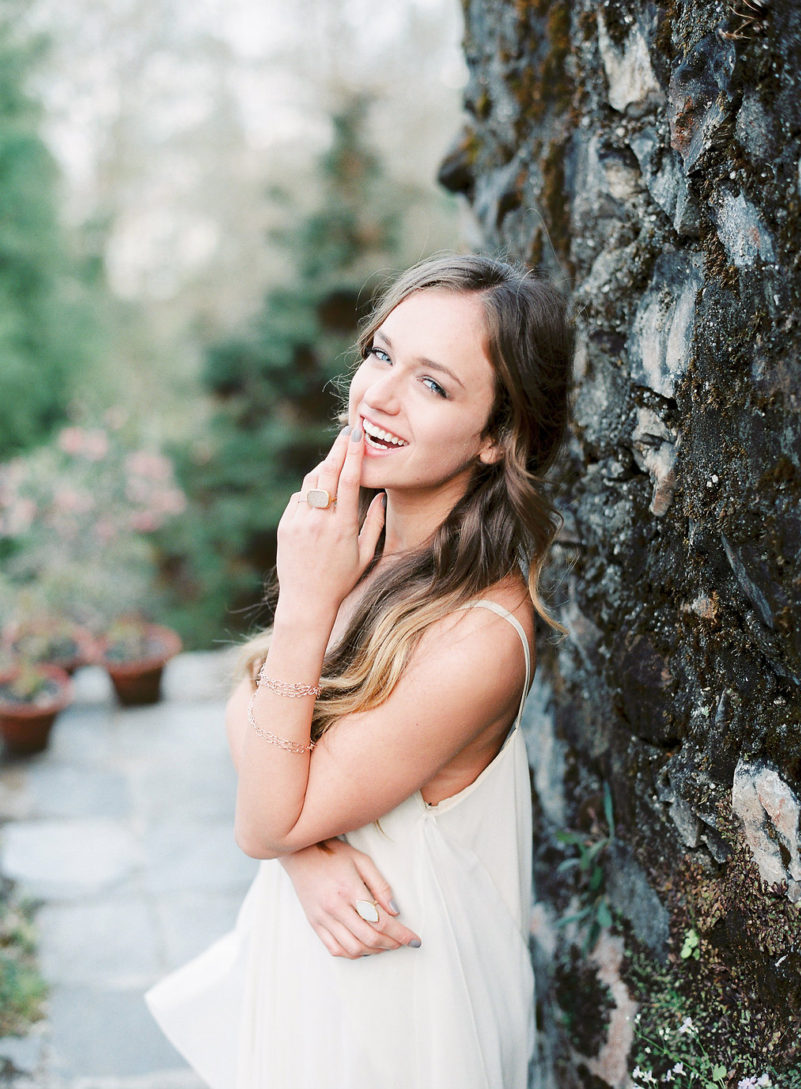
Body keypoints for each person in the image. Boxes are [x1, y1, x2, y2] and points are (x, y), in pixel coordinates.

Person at [146, 253, 572, 1089]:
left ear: (496, 436)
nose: (376, 395)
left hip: (400, 1015)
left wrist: (305, 610)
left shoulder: (481, 635)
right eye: (382, 354)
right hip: (314, 962)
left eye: (433, 385)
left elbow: (265, 809)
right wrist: (305, 854)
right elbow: (255, 694)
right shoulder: (362, 530)